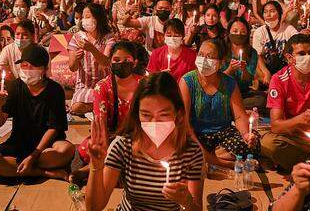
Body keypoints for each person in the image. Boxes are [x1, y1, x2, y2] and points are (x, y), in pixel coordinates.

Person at [85, 72, 204, 211]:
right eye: (146, 115)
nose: (154, 122)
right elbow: (93, 208)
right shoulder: (122, 147)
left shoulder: (191, 152)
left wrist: (187, 201)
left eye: (163, 114)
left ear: (177, 114)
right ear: (137, 114)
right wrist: (96, 167)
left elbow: (197, 208)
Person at [0, 44, 74, 179]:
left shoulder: (55, 90)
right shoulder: (15, 86)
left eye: (33, 66)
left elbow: (54, 128)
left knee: (66, 150)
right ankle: (43, 172)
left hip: (47, 145)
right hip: (19, 141)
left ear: (44, 70)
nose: (27, 70)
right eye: (24, 65)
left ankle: (22, 166)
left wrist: (34, 155)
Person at [262, 34, 310, 172]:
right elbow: (276, 126)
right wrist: (300, 119)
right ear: (289, 58)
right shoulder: (278, 79)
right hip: (291, 137)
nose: (309, 57)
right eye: (302, 54)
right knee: (268, 144)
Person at [179, 39, 259, 168]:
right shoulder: (187, 81)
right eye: (200, 55)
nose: (203, 60)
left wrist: (246, 134)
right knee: (183, 146)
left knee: (250, 142)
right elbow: (185, 123)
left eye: (209, 57)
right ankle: (219, 161)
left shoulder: (229, 83)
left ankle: (207, 159)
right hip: (195, 134)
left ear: (221, 63)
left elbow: (239, 116)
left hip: (222, 134)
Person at [71, 41, 143, 184]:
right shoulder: (103, 87)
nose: (121, 63)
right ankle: (108, 166)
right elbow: (100, 123)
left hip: (140, 136)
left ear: (135, 63)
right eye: (116, 60)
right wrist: (105, 146)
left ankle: (89, 170)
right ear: (110, 62)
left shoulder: (144, 84)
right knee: (95, 148)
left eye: (127, 60)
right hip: (112, 137)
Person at [68, 3, 115, 115]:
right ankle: (100, 107)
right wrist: (76, 58)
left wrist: (92, 49)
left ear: (98, 18)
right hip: (85, 85)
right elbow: (72, 68)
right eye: (83, 17)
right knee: (76, 108)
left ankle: (101, 106)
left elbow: (106, 64)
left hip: (104, 83)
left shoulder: (109, 38)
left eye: (88, 17)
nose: (84, 20)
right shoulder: (77, 37)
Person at [221, 17, 264, 108]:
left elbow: (248, 80)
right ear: (229, 33)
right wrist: (230, 69)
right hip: (224, 92)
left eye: (243, 32)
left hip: (242, 93)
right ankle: (233, 106)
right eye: (235, 31)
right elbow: (217, 79)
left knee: (262, 99)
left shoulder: (252, 53)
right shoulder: (222, 49)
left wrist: (244, 70)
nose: (239, 34)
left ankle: (234, 106)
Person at [252, 1, 298, 80]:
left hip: (285, 68)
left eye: (272, 11)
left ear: (279, 13)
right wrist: (266, 73)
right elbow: (258, 56)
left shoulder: (288, 29)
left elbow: (298, 42)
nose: (268, 15)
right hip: (266, 68)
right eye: (265, 12)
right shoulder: (260, 32)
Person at [147, 18, 197, 82]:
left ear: (183, 35)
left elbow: (194, 79)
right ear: (164, 35)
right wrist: (159, 76)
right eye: (169, 35)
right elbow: (150, 78)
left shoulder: (191, 55)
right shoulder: (156, 54)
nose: (172, 38)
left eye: (176, 35)